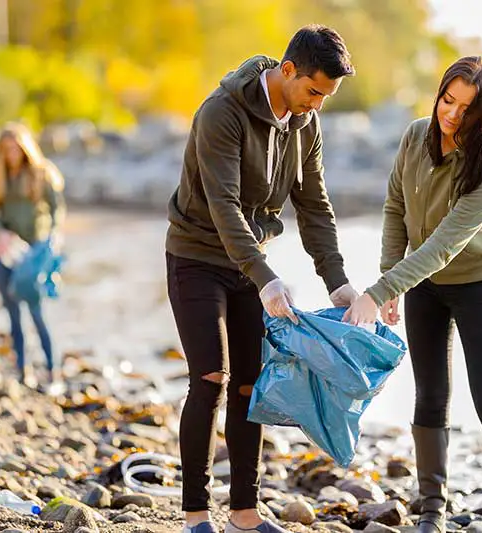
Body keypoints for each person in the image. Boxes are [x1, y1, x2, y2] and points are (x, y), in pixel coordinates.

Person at [166, 25, 359, 533]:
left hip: (251, 265)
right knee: (211, 379)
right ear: (287, 70)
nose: (317, 104)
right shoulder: (221, 113)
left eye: (327, 97)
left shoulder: (305, 122)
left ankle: (244, 514)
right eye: (314, 91)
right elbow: (225, 208)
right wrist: (267, 278)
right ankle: (194, 517)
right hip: (197, 256)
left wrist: (337, 282)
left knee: (252, 387)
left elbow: (315, 206)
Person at [343, 56, 482, 533]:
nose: (451, 114)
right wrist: (389, 277)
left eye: (466, 109)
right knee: (430, 396)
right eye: (447, 100)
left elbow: (445, 246)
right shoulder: (414, 136)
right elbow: (395, 206)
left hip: (479, 284)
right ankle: (432, 513)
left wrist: (379, 290)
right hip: (421, 285)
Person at [0, 122, 66, 394]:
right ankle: (22, 370)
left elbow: (57, 210)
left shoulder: (41, 173)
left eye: (16, 148)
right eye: (6, 149)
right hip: (7, 252)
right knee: (12, 314)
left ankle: (53, 371)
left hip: (34, 252)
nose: (11, 154)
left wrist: (51, 239)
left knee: (37, 312)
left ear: (25, 147)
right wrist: (1, 232)